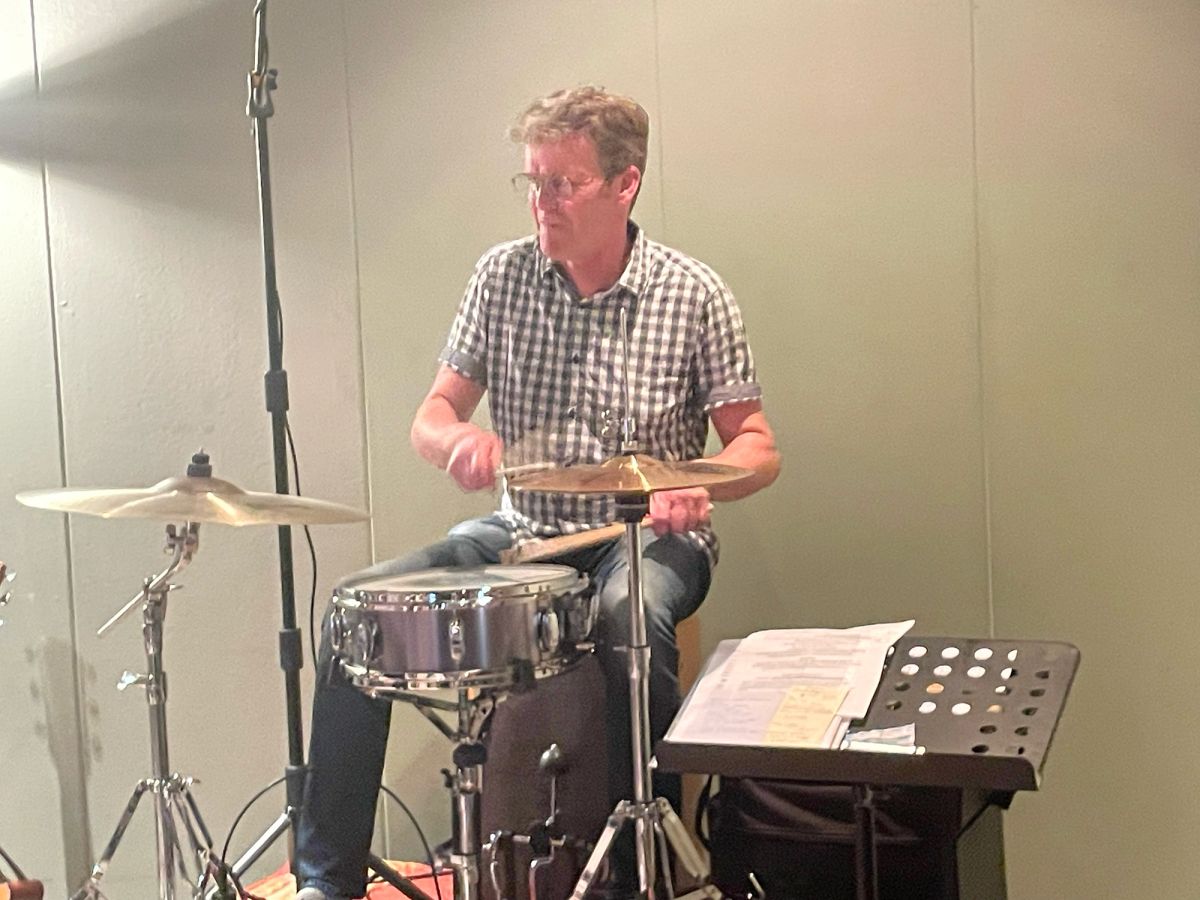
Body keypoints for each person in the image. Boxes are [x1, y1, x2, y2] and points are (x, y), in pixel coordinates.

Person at [295, 85, 780, 900]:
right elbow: (432, 415)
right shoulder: (502, 276)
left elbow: (757, 446)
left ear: (625, 184)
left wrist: (695, 484)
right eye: (532, 180)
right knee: (356, 612)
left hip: (646, 539)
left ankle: (640, 870)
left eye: (563, 183)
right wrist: (457, 440)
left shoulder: (694, 293)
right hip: (522, 535)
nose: (540, 202)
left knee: (629, 612)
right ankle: (327, 878)